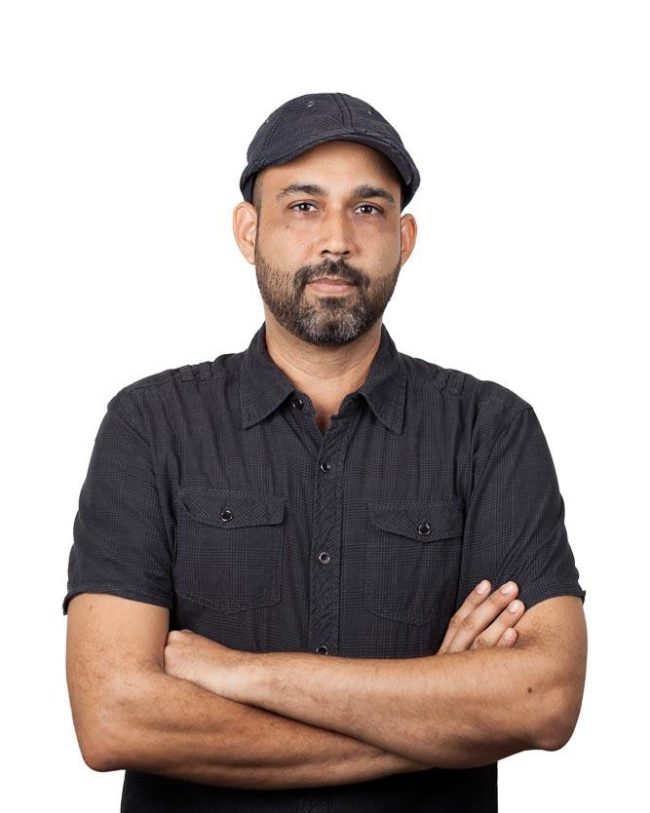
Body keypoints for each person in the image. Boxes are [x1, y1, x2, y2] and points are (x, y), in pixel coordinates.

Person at [63, 91, 587, 812]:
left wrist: (245, 674)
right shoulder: (150, 424)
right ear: (249, 231)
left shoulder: (491, 430)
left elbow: (544, 698)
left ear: (405, 237)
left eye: (367, 209)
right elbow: (113, 716)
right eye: (303, 206)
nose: (336, 240)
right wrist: (431, 713)